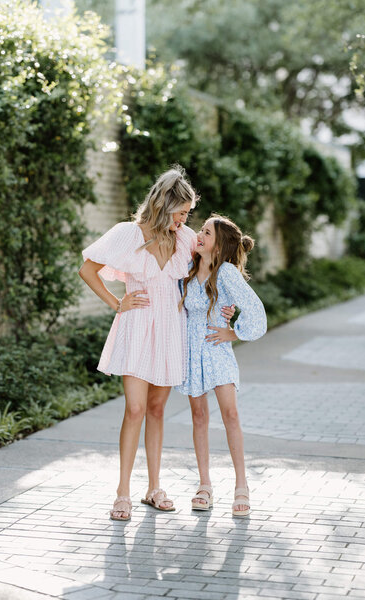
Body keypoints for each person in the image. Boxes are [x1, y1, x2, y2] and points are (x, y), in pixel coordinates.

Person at [78, 167, 233, 521]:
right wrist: (117, 303)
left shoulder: (185, 239)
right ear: (165, 204)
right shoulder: (126, 234)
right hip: (136, 327)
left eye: (188, 214)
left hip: (170, 329)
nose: (185, 219)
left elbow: (207, 273)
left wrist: (222, 305)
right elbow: (87, 269)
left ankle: (153, 488)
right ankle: (122, 493)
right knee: (134, 409)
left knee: (157, 410)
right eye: (181, 212)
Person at [176, 214, 267, 517]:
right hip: (192, 354)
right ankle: (204, 485)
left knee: (230, 414)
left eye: (206, 233)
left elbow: (255, 309)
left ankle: (242, 486)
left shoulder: (226, 273)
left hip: (217, 350)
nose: (199, 236)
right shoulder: (186, 270)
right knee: (199, 417)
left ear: (219, 245)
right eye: (200, 230)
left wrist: (234, 331)